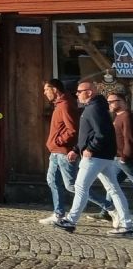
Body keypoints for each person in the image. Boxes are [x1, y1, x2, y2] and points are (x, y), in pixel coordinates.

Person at [55, 80, 133, 235]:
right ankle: (127, 223)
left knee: (80, 187)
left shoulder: (94, 108)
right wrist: (77, 149)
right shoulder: (95, 107)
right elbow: (89, 134)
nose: (76, 94)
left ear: (89, 92)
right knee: (114, 189)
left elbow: (101, 133)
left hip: (95, 157)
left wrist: (90, 149)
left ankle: (71, 220)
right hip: (103, 156)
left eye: (79, 91)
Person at [42, 79, 83, 225]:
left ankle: (108, 207)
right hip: (55, 152)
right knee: (52, 180)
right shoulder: (59, 104)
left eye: (47, 89)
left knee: (72, 186)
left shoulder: (65, 104)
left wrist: (59, 141)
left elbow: (73, 130)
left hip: (64, 152)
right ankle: (58, 214)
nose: (45, 93)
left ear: (55, 89)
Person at [109, 88, 132, 194]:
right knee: (112, 184)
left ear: (122, 102)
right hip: (117, 157)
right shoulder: (117, 116)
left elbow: (129, 138)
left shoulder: (126, 116)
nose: (109, 104)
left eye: (111, 102)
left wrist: (124, 157)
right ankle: (108, 208)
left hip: (125, 159)